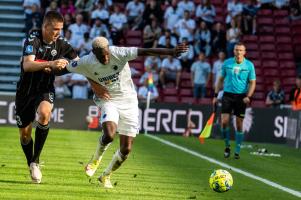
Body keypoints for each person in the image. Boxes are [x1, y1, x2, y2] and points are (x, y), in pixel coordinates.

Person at [64, 36, 188, 188]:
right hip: (108, 99)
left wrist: (171, 52)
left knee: (126, 149)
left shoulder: (119, 52)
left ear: (109, 49)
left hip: (129, 101)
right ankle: (96, 159)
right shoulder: (87, 61)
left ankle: (106, 175)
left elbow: (145, 51)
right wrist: (47, 65)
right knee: (109, 135)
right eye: (102, 56)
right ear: (94, 54)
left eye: (107, 54)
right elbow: (65, 68)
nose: (106, 58)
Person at [15, 11, 78, 184]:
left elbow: (77, 63)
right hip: (25, 92)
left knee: (44, 113)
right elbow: (27, 65)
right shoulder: (33, 38)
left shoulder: (62, 43)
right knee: (25, 136)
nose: (58, 33)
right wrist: (50, 63)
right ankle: (31, 163)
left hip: (44, 89)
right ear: (45, 26)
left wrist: (65, 66)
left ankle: (36, 160)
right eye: (55, 29)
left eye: (60, 29)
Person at [212, 43, 256, 159]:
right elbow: (220, 79)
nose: (238, 52)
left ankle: (237, 149)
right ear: (234, 51)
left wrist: (249, 96)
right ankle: (227, 146)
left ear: (244, 52)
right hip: (227, 95)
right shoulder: (227, 63)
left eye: (241, 50)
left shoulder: (249, 65)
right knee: (224, 121)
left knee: (239, 123)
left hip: (241, 97)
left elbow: (252, 83)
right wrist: (215, 95)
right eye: (236, 50)